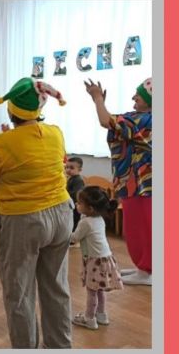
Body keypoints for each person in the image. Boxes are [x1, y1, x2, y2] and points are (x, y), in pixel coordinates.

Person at [0, 78, 73, 348]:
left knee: (19, 292)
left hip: (24, 220)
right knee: (57, 288)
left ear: (11, 109)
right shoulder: (55, 133)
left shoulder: (1, 143)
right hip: (62, 214)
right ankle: (61, 351)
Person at [84, 77, 151, 285]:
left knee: (143, 228)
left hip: (142, 185)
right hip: (135, 184)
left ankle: (149, 271)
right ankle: (144, 267)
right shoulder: (141, 117)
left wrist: (97, 99)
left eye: (139, 95)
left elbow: (108, 121)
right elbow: (113, 121)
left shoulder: (147, 120)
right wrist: (100, 102)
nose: (133, 97)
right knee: (137, 227)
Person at [71, 186, 123, 329]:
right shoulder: (99, 218)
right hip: (105, 259)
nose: (76, 205)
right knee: (99, 290)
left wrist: (62, 234)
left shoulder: (85, 222)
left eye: (80, 203)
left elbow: (74, 238)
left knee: (91, 291)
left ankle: (89, 318)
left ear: (90, 208)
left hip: (94, 262)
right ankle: (101, 315)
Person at [65, 154, 86, 233]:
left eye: (71, 168)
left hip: (75, 206)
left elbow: (76, 194)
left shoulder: (78, 180)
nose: (68, 170)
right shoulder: (71, 178)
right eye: (66, 167)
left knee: (74, 224)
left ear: (80, 170)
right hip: (70, 205)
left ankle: (74, 237)